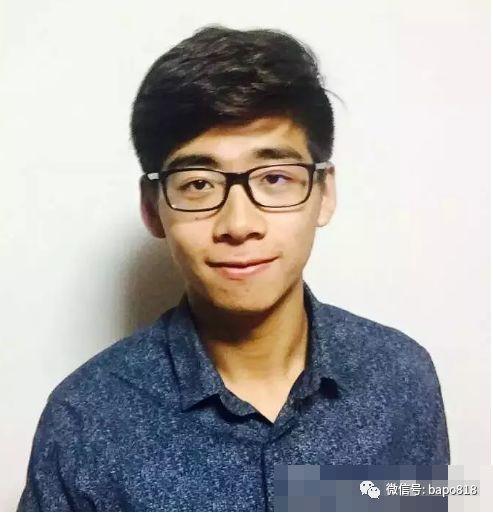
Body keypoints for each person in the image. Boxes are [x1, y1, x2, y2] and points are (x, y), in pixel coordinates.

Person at [17, 25, 450, 512]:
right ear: (152, 208)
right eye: (198, 184)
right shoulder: (84, 419)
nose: (239, 225)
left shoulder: (400, 377)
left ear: (325, 193)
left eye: (275, 178)